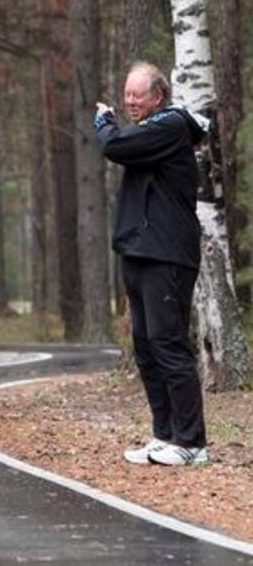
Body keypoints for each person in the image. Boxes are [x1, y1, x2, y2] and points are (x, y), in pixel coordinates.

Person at [94, 61, 208, 466]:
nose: (128, 101)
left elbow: (115, 147)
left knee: (168, 345)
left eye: (136, 95)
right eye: (125, 95)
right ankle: (165, 435)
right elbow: (127, 147)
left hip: (168, 255)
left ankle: (192, 443)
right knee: (144, 347)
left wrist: (104, 122)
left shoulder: (170, 126)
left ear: (157, 97)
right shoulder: (149, 133)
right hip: (139, 252)